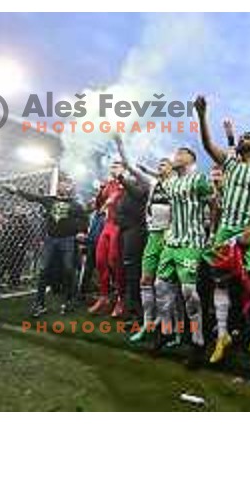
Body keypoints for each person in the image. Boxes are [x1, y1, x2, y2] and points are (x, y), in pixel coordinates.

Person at [195, 95, 250, 375]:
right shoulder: (229, 164)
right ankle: (222, 336)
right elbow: (207, 145)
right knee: (220, 280)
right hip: (226, 228)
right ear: (240, 145)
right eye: (244, 135)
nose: (247, 136)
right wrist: (202, 115)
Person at [153, 143, 212, 365]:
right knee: (160, 287)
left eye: (180, 153)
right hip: (172, 242)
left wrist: (212, 232)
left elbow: (214, 203)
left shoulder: (199, 179)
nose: (175, 156)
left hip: (192, 242)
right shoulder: (172, 183)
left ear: (191, 159)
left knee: (189, 293)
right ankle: (166, 331)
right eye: (175, 152)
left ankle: (197, 341)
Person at [5, 179, 87, 317]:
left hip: (67, 240)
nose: (64, 185)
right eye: (62, 183)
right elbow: (32, 197)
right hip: (50, 239)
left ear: (71, 188)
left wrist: (81, 232)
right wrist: (16, 190)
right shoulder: (49, 200)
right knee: (43, 271)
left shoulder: (76, 205)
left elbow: (84, 219)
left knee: (68, 270)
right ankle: (39, 304)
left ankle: (68, 301)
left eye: (67, 184)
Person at [128, 156, 173, 343]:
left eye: (164, 164)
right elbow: (134, 170)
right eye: (159, 164)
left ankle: (167, 326)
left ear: (172, 168)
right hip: (153, 235)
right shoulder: (154, 184)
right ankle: (147, 324)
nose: (160, 166)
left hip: (171, 236)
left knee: (165, 285)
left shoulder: (178, 184)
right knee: (145, 280)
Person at [113, 136, 151, 318]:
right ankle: (131, 305)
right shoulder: (127, 188)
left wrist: (121, 177)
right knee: (127, 267)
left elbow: (137, 193)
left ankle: (138, 308)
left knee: (134, 269)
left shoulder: (144, 186)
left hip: (136, 232)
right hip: (125, 231)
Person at [88, 162, 126, 315]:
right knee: (100, 261)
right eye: (112, 166)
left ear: (124, 169)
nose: (113, 168)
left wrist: (112, 198)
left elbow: (118, 198)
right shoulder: (108, 184)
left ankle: (121, 299)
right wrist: (100, 192)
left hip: (119, 225)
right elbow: (98, 205)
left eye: (117, 165)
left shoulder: (127, 184)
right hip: (107, 225)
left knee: (114, 261)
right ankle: (104, 297)